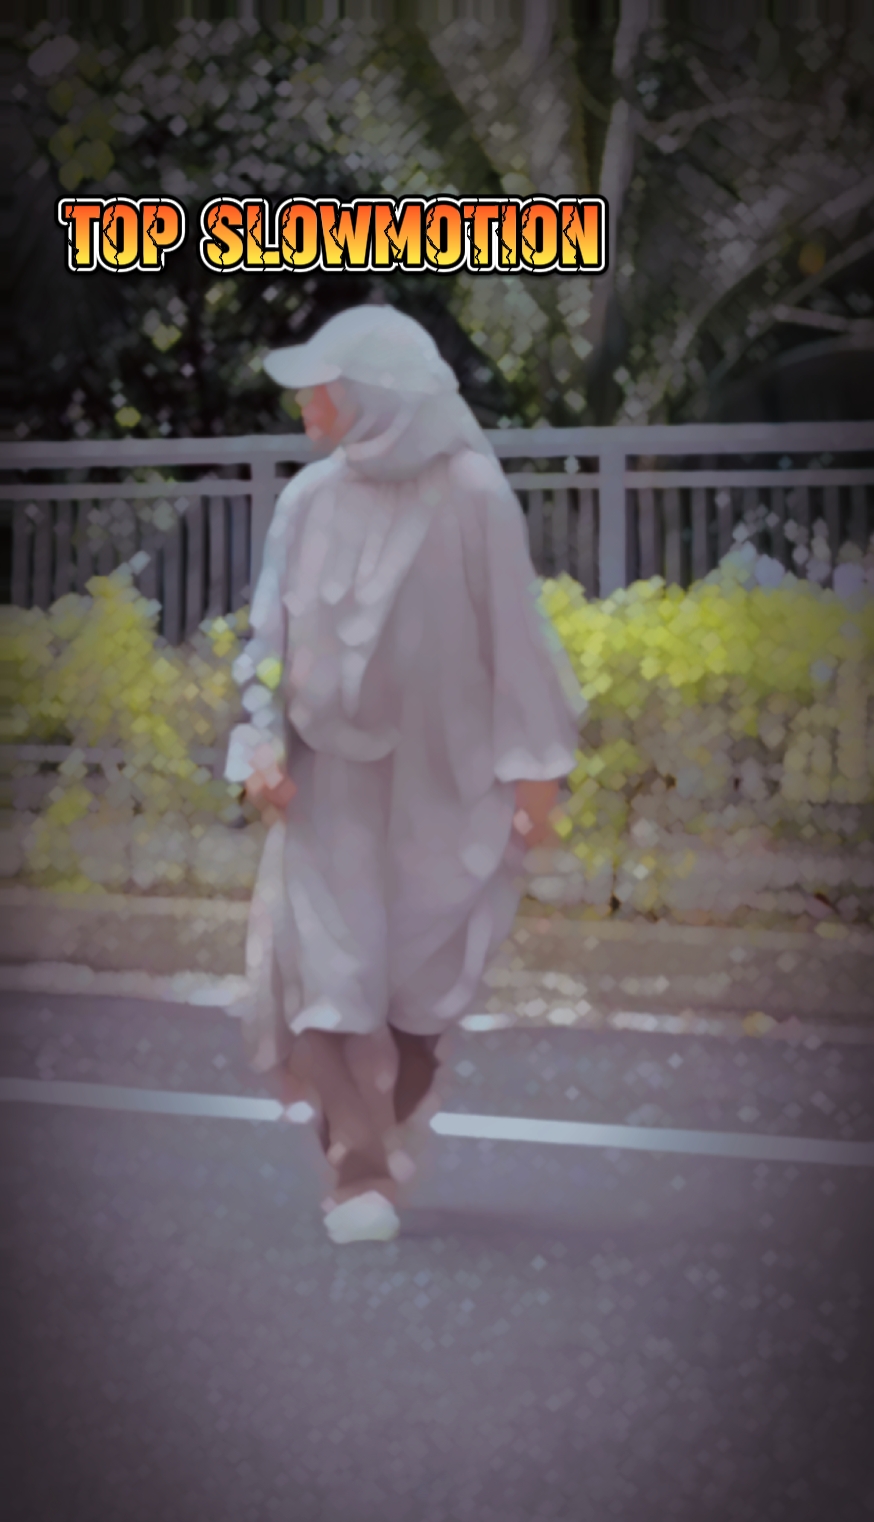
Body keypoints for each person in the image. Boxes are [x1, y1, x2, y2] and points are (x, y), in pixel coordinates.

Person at [224, 304, 587, 1244]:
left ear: (375, 395)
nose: (308, 405)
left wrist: (536, 777)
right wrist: (260, 745)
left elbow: (517, 636)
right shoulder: (308, 501)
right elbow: (268, 643)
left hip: (447, 785)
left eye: (324, 387)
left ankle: (378, 1133)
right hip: (329, 786)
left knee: (422, 992)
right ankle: (360, 1172)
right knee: (329, 978)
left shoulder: (470, 493)